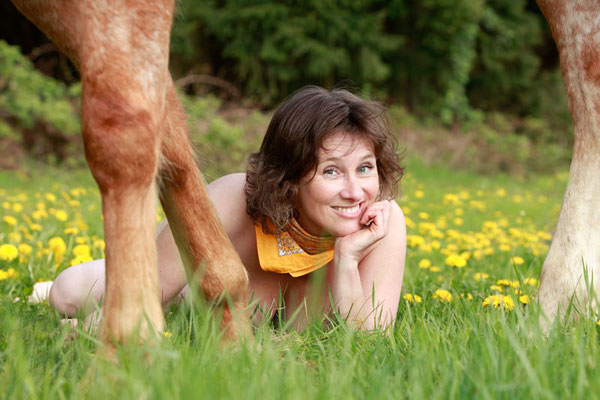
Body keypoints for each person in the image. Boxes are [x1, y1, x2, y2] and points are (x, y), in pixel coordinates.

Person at [40, 85, 407, 331]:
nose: (355, 191)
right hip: (178, 284)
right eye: (331, 171)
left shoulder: (380, 225)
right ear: (290, 175)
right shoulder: (235, 198)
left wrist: (345, 259)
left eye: (364, 168)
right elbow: (145, 293)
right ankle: (55, 285)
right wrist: (96, 330)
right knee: (69, 292)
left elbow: (368, 341)